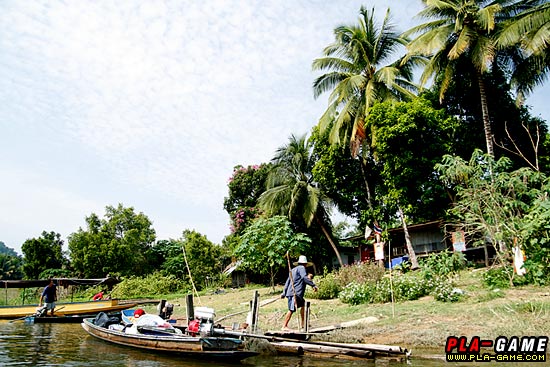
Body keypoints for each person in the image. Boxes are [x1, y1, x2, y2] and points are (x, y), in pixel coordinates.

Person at [281, 255, 318, 331]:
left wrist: (284, 293)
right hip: (295, 293)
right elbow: (304, 278)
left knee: (303, 304)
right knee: (291, 309)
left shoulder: (293, 270)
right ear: (305, 264)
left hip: (293, 293)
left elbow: (287, 282)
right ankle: (284, 326)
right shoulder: (302, 268)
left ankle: (303, 323)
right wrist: (313, 285)